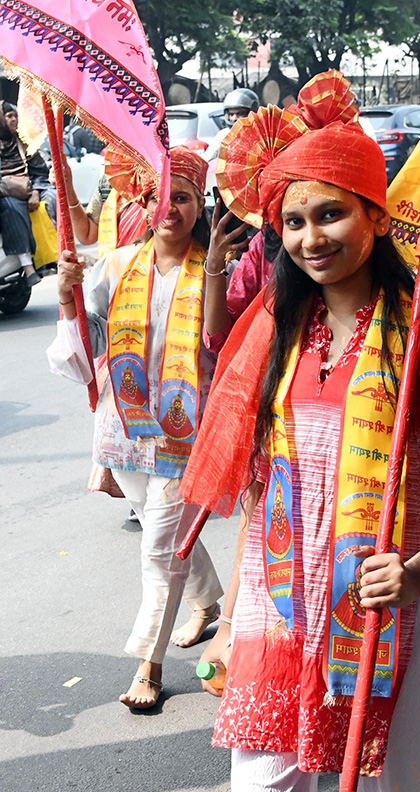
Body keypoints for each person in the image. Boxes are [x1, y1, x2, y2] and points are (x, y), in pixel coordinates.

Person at [182, 71, 420, 792]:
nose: (311, 238)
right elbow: (259, 485)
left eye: (331, 213)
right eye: (293, 221)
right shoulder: (274, 329)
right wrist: (230, 623)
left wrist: (417, 572)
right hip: (273, 613)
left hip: (380, 621)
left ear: (377, 214)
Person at [54, 146, 247, 708]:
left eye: (182, 197)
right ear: (142, 201)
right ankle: (206, 601)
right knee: (164, 535)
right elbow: (86, 342)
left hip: (186, 434)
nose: (170, 208)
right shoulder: (116, 265)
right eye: (160, 196)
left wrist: (216, 269)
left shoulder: (216, 268)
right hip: (123, 429)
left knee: (159, 550)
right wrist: (66, 296)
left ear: (198, 205)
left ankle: (149, 666)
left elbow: (221, 343)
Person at [0, 101, 50, 286]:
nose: (14, 120)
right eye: (9, 116)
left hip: (29, 189)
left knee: (53, 199)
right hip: (6, 194)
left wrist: (36, 192)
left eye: (15, 116)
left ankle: (49, 258)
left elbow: (39, 170)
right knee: (11, 206)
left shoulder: (23, 141)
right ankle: (28, 266)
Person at [203, 88, 259, 161]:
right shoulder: (223, 135)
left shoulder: (260, 135)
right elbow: (207, 158)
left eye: (239, 114)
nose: (234, 118)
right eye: (231, 114)